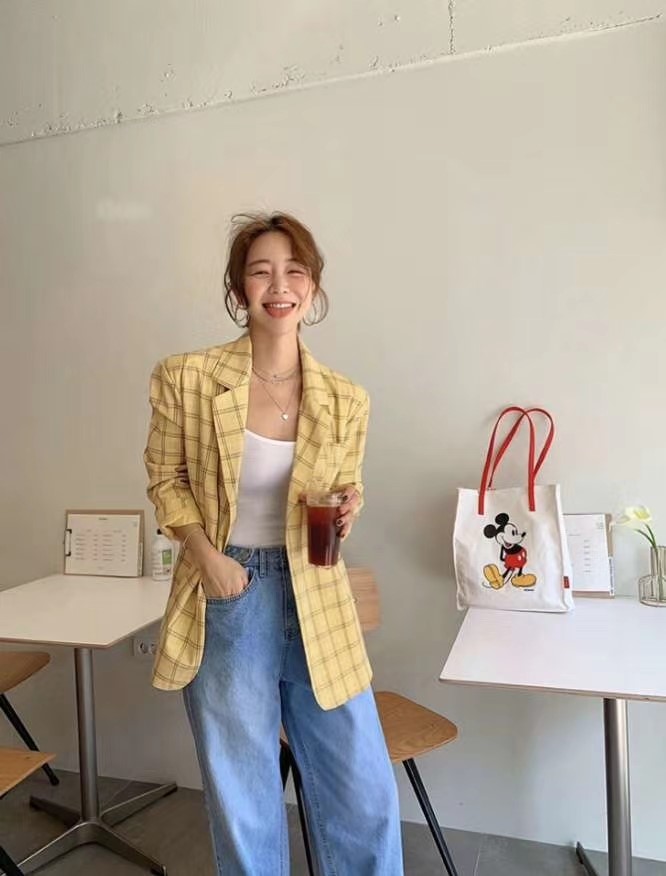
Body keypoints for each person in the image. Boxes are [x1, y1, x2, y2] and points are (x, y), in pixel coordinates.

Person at [143, 212, 403, 875]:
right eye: (261, 271)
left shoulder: (346, 397)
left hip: (317, 588)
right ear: (240, 289)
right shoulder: (187, 377)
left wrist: (349, 506)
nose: (279, 285)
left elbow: (346, 484)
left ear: (312, 286)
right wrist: (207, 558)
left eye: (294, 270)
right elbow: (167, 481)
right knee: (245, 790)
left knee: (363, 787)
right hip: (231, 589)